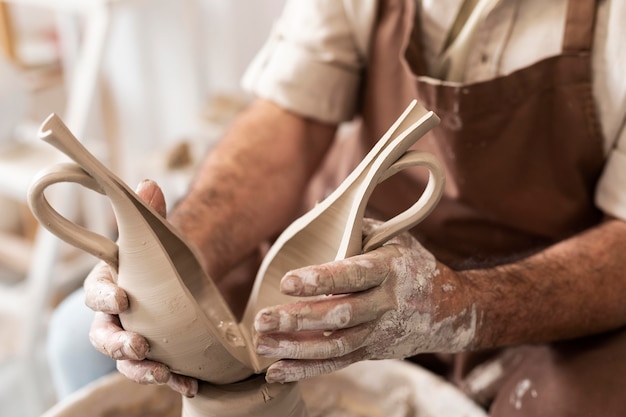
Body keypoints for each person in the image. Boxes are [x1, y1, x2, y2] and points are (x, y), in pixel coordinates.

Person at [77, 0, 626, 415]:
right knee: (86, 340)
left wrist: (457, 305)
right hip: (346, 247)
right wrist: (177, 255)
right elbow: (289, 124)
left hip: (544, 284)